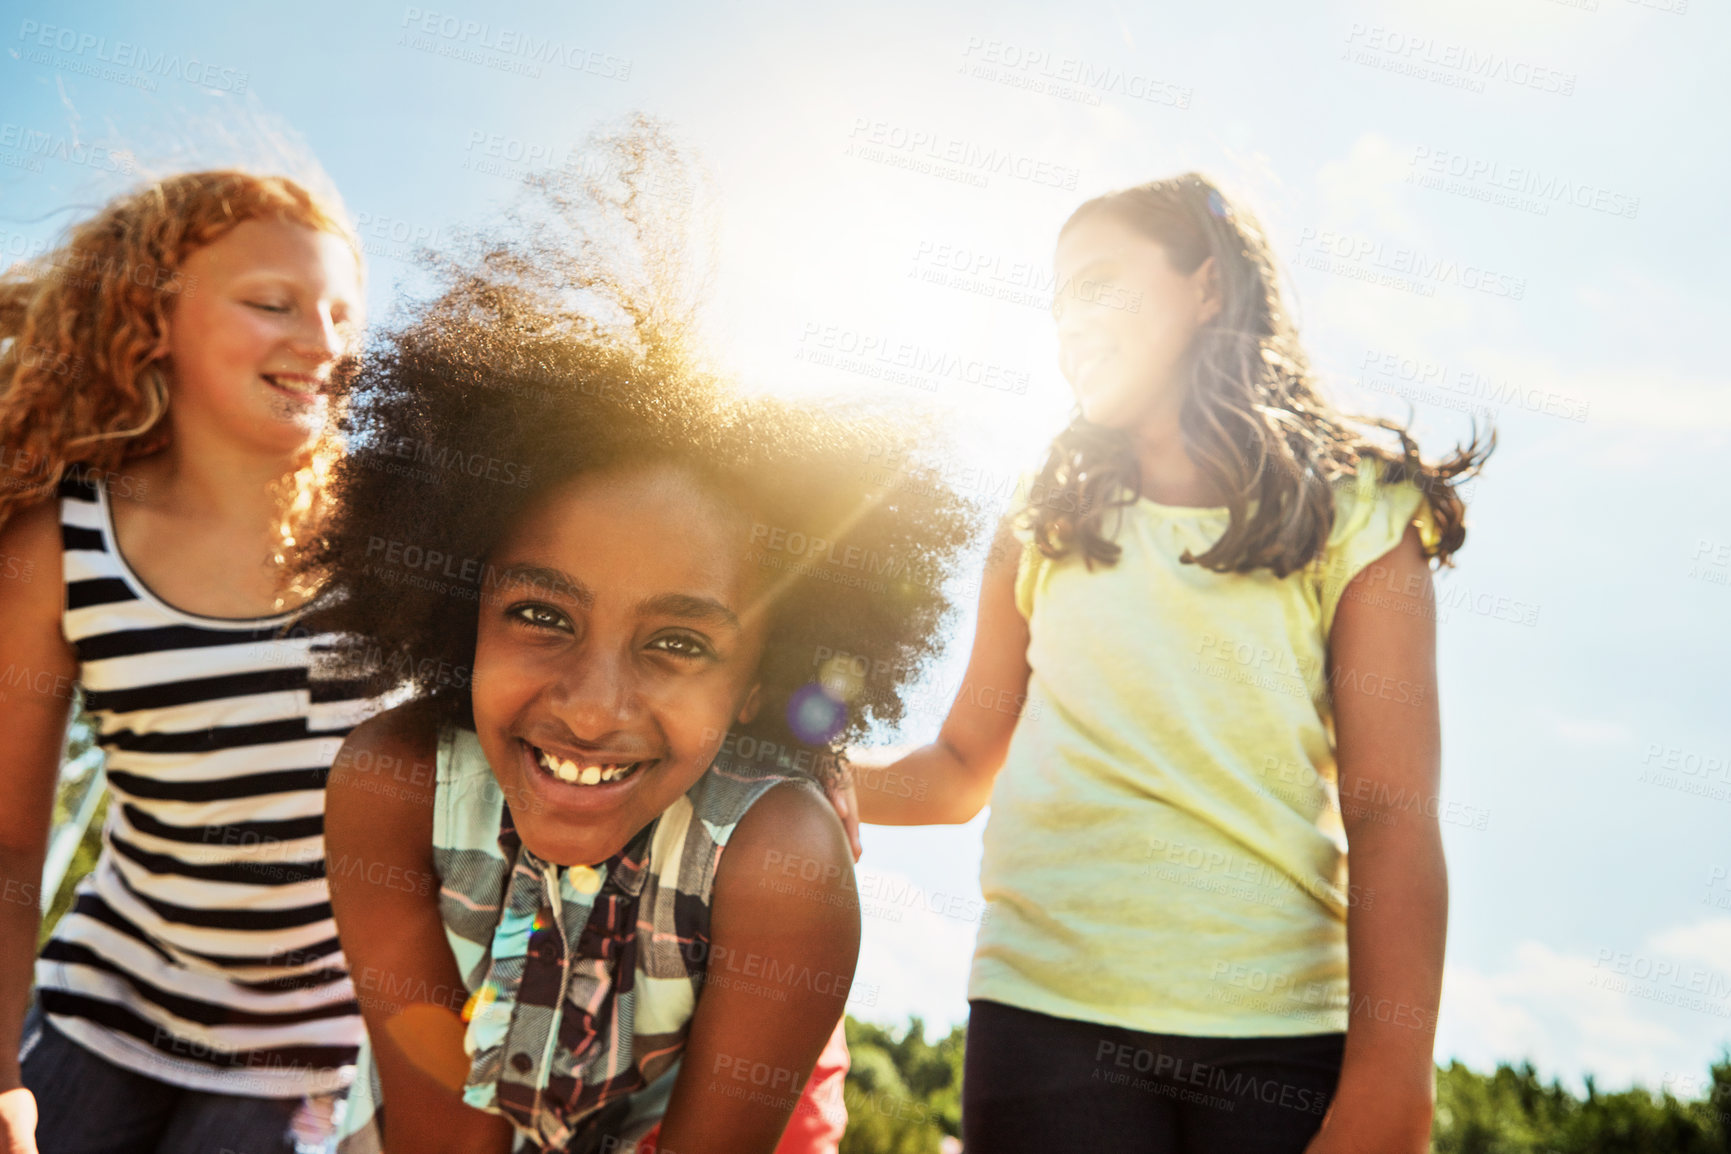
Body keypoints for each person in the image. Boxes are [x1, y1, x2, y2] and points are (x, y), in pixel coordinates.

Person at [298, 155, 980, 1153]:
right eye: (542, 613)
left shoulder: (780, 863)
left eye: (676, 641)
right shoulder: (390, 784)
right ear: (458, 604)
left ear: (755, 681)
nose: (592, 704)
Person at [848, 173, 1492, 1153]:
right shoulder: (1038, 520)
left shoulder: (1363, 510)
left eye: (1101, 283)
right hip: (1044, 1020)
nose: (1073, 320)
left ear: (1208, 286)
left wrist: (1392, 1089)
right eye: (1060, 299)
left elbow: (1391, 808)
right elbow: (959, 766)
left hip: (1282, 1043)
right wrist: (800, 761)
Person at [0, 171, 375, 1153]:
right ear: (150, 316)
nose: (324, 343)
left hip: (306, 1050)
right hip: (102, 1006)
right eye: (273, 303)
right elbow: (7, 841)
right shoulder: (67, 541)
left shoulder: (391, 539)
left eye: (341, 313)